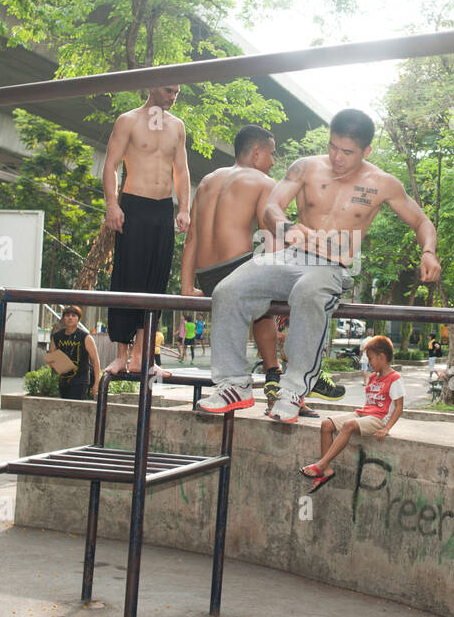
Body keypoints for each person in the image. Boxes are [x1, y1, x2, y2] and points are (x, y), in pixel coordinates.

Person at [199, 108, 440, 421]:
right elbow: (272, 206)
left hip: (331, 266)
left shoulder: (382, 183)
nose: (337, 157)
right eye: (332, 147)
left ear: (366, 150)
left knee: (311, 290)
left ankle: (293, 389)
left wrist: (429, 251)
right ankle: (233, 384)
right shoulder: (306, 167)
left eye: (347, 152)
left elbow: (421, 220)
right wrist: (286, 227)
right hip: (289, 257)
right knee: (228, 289)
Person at [179, 125, 283, 397]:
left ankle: (269, 372)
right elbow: (269, 237)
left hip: (208, 277)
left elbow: (190, 239)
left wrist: (187, 287)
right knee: (287, 297)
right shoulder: (264, 183)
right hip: (238, 270)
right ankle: (274, 372)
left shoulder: (206, 181)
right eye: (271, 154)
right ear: (257, 152)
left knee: (260, 307)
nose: (272, 162)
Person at [102, 84, 190, 375]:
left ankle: (143, 358)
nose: (172, 96)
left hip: (163, 208)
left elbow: (182, 170)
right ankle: (121, 354)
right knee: (128, 277)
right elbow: (111, 164)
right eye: (168, 90)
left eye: (177, 92)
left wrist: (184, 208)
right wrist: (112, 205)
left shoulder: (177, 127)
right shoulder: (128, 120)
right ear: (152, 86)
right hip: (134, 205)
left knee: (156, 281)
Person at [300, 336, 404, 492]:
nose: (368, 363)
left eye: (370, 358)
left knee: (348, 426)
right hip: (363, 414)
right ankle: (327, 470)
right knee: (326, 424)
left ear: (381, 356)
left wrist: (387, 428)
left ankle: (321, 465)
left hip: (379, 419)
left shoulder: (395, 378)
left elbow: (399, 407)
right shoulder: (373, 377)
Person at [49, 306, 101, 401]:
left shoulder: (85, 337)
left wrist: (96, 383)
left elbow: (96, 361)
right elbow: (51, 358)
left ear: (78, 319)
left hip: (80, 380)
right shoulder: (57, 336)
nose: (70, 318)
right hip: (63, 380)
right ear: (63, 318)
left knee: (75, 406)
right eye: (67, 315)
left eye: (73, 316)